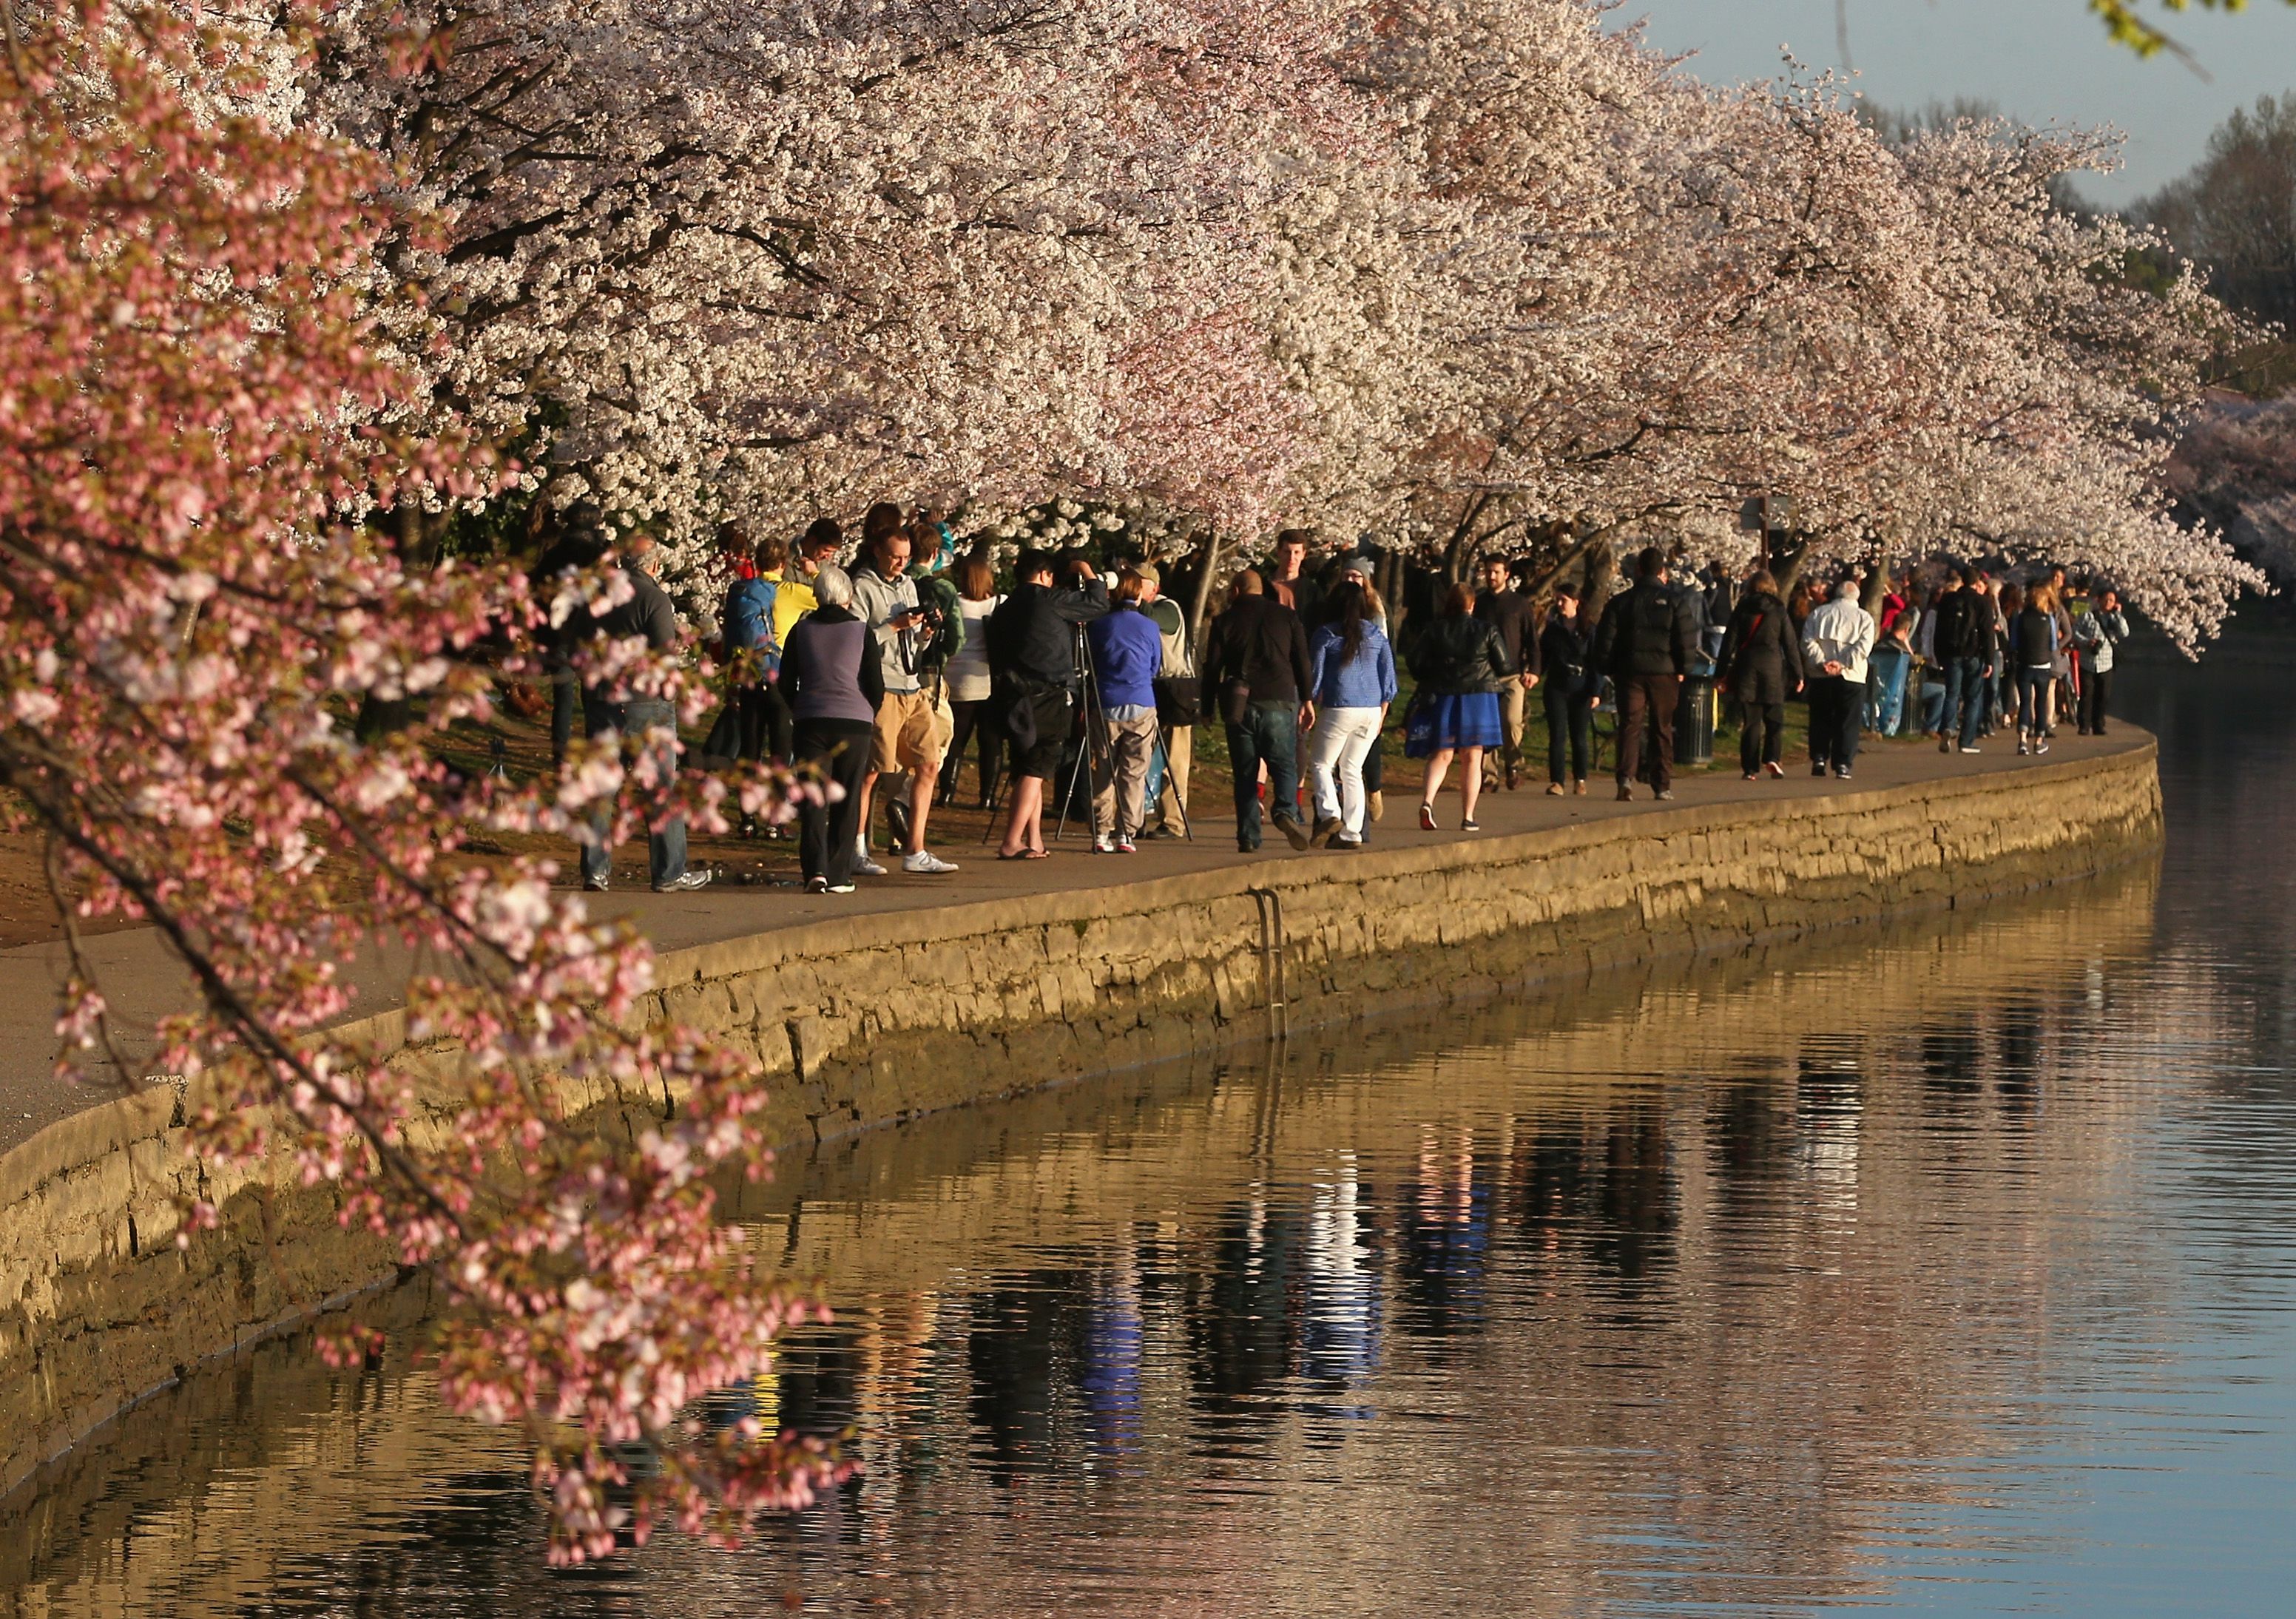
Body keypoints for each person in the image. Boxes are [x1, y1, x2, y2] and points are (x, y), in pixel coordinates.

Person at [575, 527, 712, 894]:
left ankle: (595, 869)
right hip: (645, 704)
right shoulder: (654, 599)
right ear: (653, 566)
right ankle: (668, 870)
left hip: (604, 700)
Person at [850, 506, 956, 875]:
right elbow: (857, 642)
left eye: (906, 559)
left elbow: (914, 645)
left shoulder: (909, 584)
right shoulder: (862, 587)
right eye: (895, 558)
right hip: (882, 688)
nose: (900, 564)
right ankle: (857, 848)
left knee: (928, 764)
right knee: (871, 773)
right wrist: (893, 626)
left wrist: (924, 634)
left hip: (913, 686)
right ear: (878, 552)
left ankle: (916, 850)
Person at [985, 548, 1109, 858]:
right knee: (1037, 767)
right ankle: (1012, 840)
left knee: (1030, 767)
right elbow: (1098, 604)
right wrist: (1086, 570)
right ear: (1044, 575)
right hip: (1048, 693)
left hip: (1015, 697)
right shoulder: (1048, 600)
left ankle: (1034, 839)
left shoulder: (1006, 607)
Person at [780, 566, 882, 894]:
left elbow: (785, 681)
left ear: (816, 595)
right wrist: (868, 710)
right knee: (848, 797)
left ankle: (815, 871)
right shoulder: (861, 631)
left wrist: (801, 706)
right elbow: (874, 685)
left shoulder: (801, 630)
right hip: (854, 722)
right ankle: (840, 874)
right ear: (849, 597)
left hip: (811, 720)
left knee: (813, 798)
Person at [1203, 569, 1315, 852]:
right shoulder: (1287, 617)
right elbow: (1301, 660)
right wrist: (1308, 699)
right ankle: (1285, 811)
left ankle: (1249, 836)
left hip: (1240, 705)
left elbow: (1212, 668)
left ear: (1237, 591)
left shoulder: (1223, 621)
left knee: (1245, 772)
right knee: (1284, 764)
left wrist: (1207, 708)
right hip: (1279, 700)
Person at [1592, 546, 1699, 802]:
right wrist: (1684, 668)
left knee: (1630, 724)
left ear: (1638, 570)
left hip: (1630, 672)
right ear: (1662, 571)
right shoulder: (1675, 602)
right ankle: (1661, 784)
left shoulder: (1621, 602)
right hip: (1664, 673)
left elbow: (1606, 641)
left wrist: (1608, 668)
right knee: (1662, 727)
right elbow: (1685, 639)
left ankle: (1625, 779)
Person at [1406, 581, 1512, 831]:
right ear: (1472, 605)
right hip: (1479, 697)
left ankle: (1428, 801)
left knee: (1441, 754)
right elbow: (1505, 665)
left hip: (1444, 695)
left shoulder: (1435, 630)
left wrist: (1433, 675)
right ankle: (1468, 816)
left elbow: (1414, 662)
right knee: (1473, 757)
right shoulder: (1486, 630)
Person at [1305, 578, 1397, 849]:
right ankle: (1353, 832)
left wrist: (1308, 702)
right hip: (1370, 710)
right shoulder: (1376, 635)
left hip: (1340, 707)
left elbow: (1315, 677)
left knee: (1322, 764)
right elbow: (1389, 679)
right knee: (1353, 769)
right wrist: (1382, 712)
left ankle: (1329, 813)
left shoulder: (1326, 634)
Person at [1084, 572, 1165, 853]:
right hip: (1141, 700)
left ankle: (1101, 831)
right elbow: (1155, 666)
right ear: (1139, 596)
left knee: (1103, 769)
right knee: (1133, 772)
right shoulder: (1150, 626)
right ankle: (1126, 833)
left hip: (1106, 701)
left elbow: (1091, 662)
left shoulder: (1099, 626)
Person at [530, 503, 608, 770]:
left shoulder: (554, 555)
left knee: (563, 695)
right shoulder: (598, 555)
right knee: (592, 696)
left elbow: (537, 590)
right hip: (589, 633)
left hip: (559, 631)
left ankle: (560, 754)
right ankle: (591, 750)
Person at [1716, 569, 1803, 781]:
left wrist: (1720, 674)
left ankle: (1749, 768)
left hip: (1747, 666)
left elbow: (1729, 643)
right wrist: (1798, 673)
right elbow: (1790, 644)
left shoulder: (1742, 608)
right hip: (1773, 667)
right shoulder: (1779, 610)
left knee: (1751, 722)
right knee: (1774, 719)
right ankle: (1772, 757)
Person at [719, 530, 793, 766]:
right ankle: (779, 797)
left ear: (757, 562)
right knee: (781, 747)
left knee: (750, 746)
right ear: (783, 563)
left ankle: (747, 799)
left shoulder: (739, 590)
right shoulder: (791, 592)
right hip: (777, 674)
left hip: (748, 672)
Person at [1135, 563, 1196, 839]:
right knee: (1136, 756)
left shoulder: (1167, 607)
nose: (1134, 586)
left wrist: (1132, 602)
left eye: (1140, 582)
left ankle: (1173, 821)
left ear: (1155, 587)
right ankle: (1133, 818)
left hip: (1174, 689)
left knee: (1175, 759)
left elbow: (1157, 620)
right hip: (1147, 686)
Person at [937, 552, 1004, 808]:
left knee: (955, 741)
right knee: (991, 742)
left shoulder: (953, 603)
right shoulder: (999, 603)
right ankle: (987, 797)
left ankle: (947, 792)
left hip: (956, 679)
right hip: (987, 680)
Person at [1472, 555, 1542, 791]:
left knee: (1511, 721)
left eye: (1497, 572)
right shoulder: (1478, 604)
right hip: (1484, 674)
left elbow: (1532, 641)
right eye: (1488, 571)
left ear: (1507, 574)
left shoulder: (1519, 605)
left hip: (1513, 675)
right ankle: (1489, 775)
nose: (1491, 576)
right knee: (1485, 726)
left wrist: (1533, 670)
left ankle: (1513, 763)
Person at [1800, 575, 1876, 780]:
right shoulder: (1864, 618)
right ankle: (1842, 763)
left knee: (1820, 717)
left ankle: (1818, 757)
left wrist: (1822, 662)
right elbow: (1864, 647)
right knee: (1848, 721)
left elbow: (1807, 641)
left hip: (1820, 675)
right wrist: (1842, 663)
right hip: (1851, 676)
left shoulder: (1818, 614)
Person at [1928, 564, 1994, 755]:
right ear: (1976, 582)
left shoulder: (1948, 600)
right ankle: (1966, 741)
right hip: (1973, 654)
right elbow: (1987, 633)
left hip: (1951, 653)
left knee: (1952, 692)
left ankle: (1948, 727)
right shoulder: (1982, 602)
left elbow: (1939, 629)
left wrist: (1939, 654)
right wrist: (1989, 659)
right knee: (1973, 698)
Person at [1538, 583, 1597, 794]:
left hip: (1581, 687)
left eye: (1564, 600)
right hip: (1557, 685)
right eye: (1558, 600)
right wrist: (1535, 674)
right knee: (1558, 734)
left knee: (1579, 735)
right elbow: (1543, 655)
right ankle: (1557, 781)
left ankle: (1580, 778)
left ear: (1576, 602)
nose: (1560, 604)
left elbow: (1595, 662)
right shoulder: (1553, 629)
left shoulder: (1589, 630)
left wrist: (1595, 691)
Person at [2010, 583, 2059, 755]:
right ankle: (2039, 741)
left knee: (2025, 702)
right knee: (2040, 703)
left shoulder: (2019, 617)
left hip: (2024, 665)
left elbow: (2014, 643)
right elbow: (2053, 645)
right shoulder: (2049, 619)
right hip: (2043, 666)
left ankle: (2023, 740)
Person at [2074, 586, 2130, 734]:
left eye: (2111, 600)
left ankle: (2098, 724)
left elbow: (2125, 632)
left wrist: (2118, 614)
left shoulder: (2113, 618)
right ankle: (2084, 726)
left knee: (2103, 696)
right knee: (2087, 695)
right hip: (2088, 661)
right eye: (2106, 599)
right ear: (2099, 600)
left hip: (2106, 663)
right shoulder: (2088, 616)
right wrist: (2087, 641)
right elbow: (2075, 632)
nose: (2108, 602)